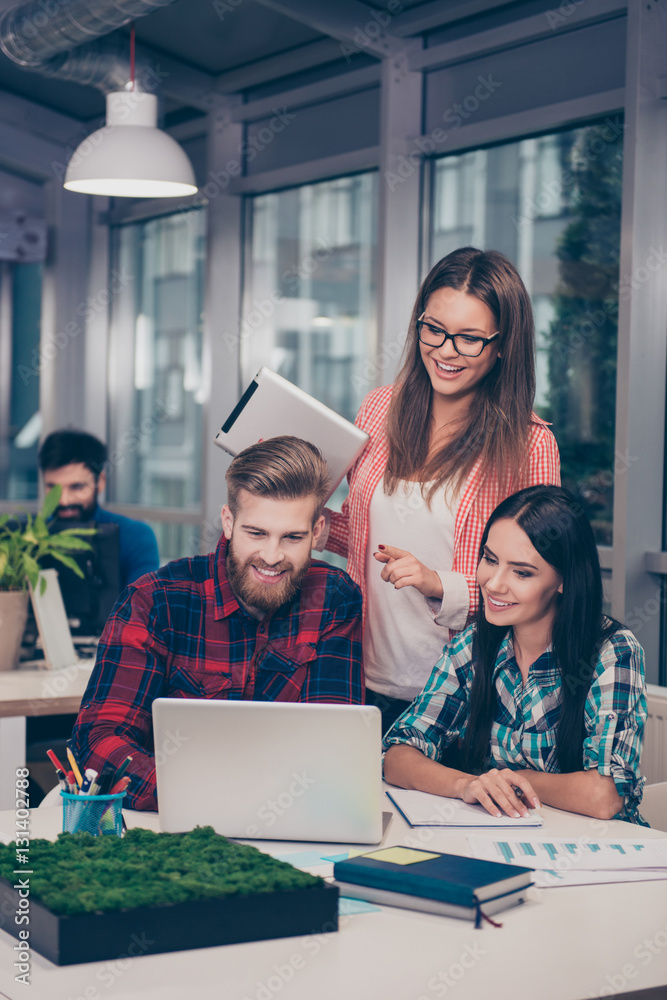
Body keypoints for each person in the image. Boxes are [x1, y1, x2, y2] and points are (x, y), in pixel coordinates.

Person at [317, 246, 561, 730]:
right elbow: (369, 535)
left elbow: (544, 576)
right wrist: (310, 523)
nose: (446, 351)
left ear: (503, 345)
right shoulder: (379, 410)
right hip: (360, 675)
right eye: (434, 329)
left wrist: (440, 583)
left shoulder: (530, 444)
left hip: (465, 690)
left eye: (469, 338)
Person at [70, 436, 364, 811]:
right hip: (168, 825)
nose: (272, 557)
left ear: (318, 531)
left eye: (292, 537)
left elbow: (333, 748)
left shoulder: (334, 598)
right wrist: (217, 794)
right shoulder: (154, 601)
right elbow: (99, 741)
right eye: (256, 533)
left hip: (289, 818)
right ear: (228, 521)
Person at [383, 485, 647, 824]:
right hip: (504, 839)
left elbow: (604, 795)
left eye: (521, 572)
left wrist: (509, 782)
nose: (494, 583)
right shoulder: (474, 644)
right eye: (490, 560)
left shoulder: (613, 651)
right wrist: (469, 784)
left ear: (564, 579)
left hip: (599, 852)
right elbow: (398, 756)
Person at [38, 429, 159, 589]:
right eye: (52, 488)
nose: (63, 500)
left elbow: (144, 608)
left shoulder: (135, 536)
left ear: (100, 482)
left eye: (77, 487)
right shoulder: (29, 537)